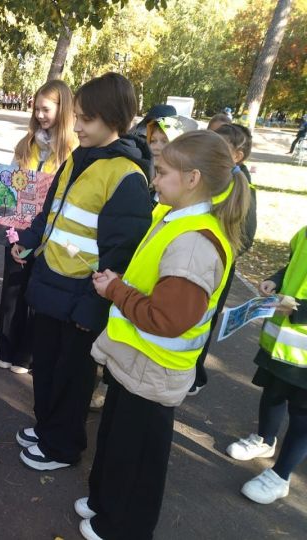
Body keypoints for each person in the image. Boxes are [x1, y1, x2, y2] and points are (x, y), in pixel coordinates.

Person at [76, 130, 249, 540]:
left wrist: (115, 290)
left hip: (155, 370)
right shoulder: (172, 217)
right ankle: (104, 504)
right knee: (117, 443)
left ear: (192, 179)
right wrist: (120, 284)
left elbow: (168, 318)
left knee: (136, 457)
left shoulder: (194, 243)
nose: (155, 180)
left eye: (164, 172)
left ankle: (123, 527)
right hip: (135, 361)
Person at [10, 72, 153, 471]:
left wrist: (92, 307)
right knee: (47, 368)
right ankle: (48, 428)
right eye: (77, 117)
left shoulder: (126, 176)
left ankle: (63, 446)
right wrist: (30, 242)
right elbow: (51, 212)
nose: (76, 126)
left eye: (86, 119)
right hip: (51, 284)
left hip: (80, 298)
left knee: (72, 378)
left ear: (114, 119)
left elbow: (120, 254)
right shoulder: (78, 157)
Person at [0, 79, 77, 374]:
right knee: (12, 289)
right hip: (17, 228)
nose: (40, 115)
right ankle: (6, 346)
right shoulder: (26, 143)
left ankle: (25, 354)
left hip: (47, 233)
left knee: (36, 292)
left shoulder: (73, 150)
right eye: (36, 109)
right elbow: (8, 181)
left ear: (63, 109)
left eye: (46, 109)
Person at [225, 226, 306, 505]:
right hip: (283, 341)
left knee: (303, 414)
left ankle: (280, 476)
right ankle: (264, 439)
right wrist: (275, 281)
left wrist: (299, 310)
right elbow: (294, 266)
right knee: (273, 390)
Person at [187, 123, 258, 395]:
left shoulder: (242, 190)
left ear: (237, 156)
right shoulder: (208, 178)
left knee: (203, 316)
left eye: (219, 143)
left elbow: (245, 237)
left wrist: (214, 252)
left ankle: (195, 372)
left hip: (216, 267)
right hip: (194, 260)